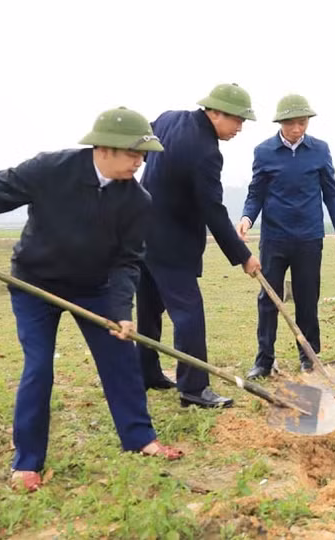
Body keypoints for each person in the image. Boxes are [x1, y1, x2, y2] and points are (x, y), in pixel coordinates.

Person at [0, 107, 184, 492]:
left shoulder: (137, 200)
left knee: (121, 357)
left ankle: (140, 438)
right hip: (35, 285)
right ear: (103, 148)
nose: (140, 162)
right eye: (133, 154)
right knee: (39, 366)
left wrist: (121, 311)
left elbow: (127, 261)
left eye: (143, 155)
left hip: (94, 288)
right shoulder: (50, 170)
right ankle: (27, 462)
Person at [137, 84, 261, 407]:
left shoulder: (168, 119)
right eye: (236, 120)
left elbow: (142, 144)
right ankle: (193, 389)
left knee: (149, 309)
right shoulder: (206, 152)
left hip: (141, 232)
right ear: (215, 112)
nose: (239, 128)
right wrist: (244, 256)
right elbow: (213, 211)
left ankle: (146, 371)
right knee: (188, 313)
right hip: (172, 243)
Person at [237, 94, 335, 380]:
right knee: (268, 300)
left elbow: (331, 193)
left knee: (307, 299)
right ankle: (264, 360)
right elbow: (256, 192)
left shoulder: (320, 150)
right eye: (292, 123)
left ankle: (309, 358)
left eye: (303, 123)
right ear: (280, 122)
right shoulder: (264, 152)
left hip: (309, 238)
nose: (298, 129)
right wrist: (247, 218)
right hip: (274, 238)